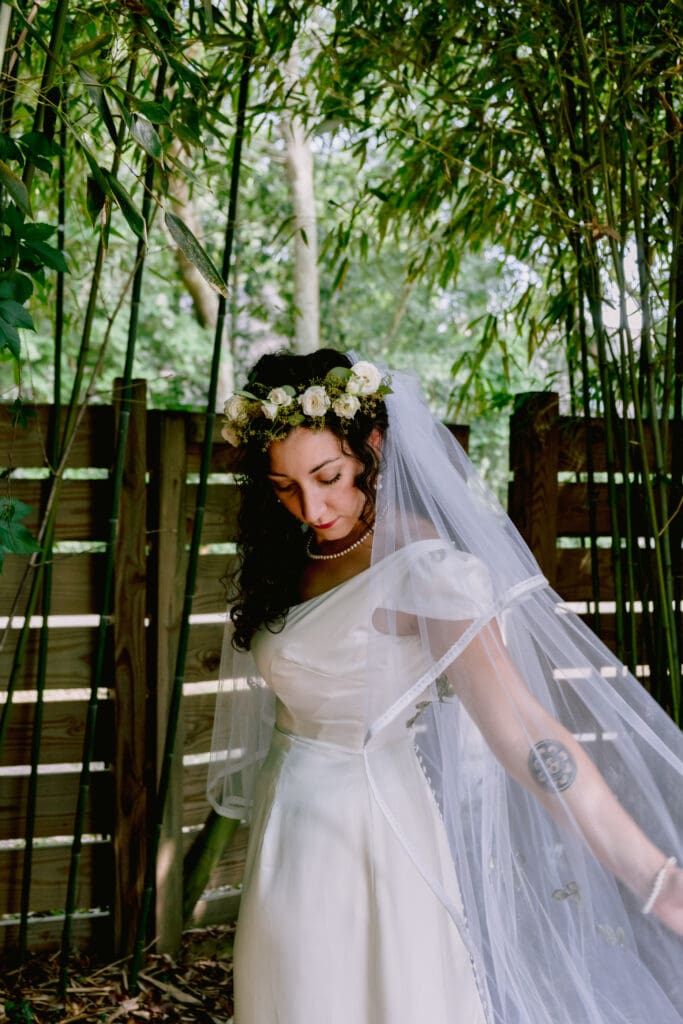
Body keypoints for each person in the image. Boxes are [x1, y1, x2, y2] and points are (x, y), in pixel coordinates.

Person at [208, 348, 683, 1024]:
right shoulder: (299, 551)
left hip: (367, 832)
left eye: (331, 476)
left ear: (371, 445)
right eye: (285, 487)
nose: (312, 506)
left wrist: (652, 877)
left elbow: (521, 729)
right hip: (291, 824)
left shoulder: (425, 571)